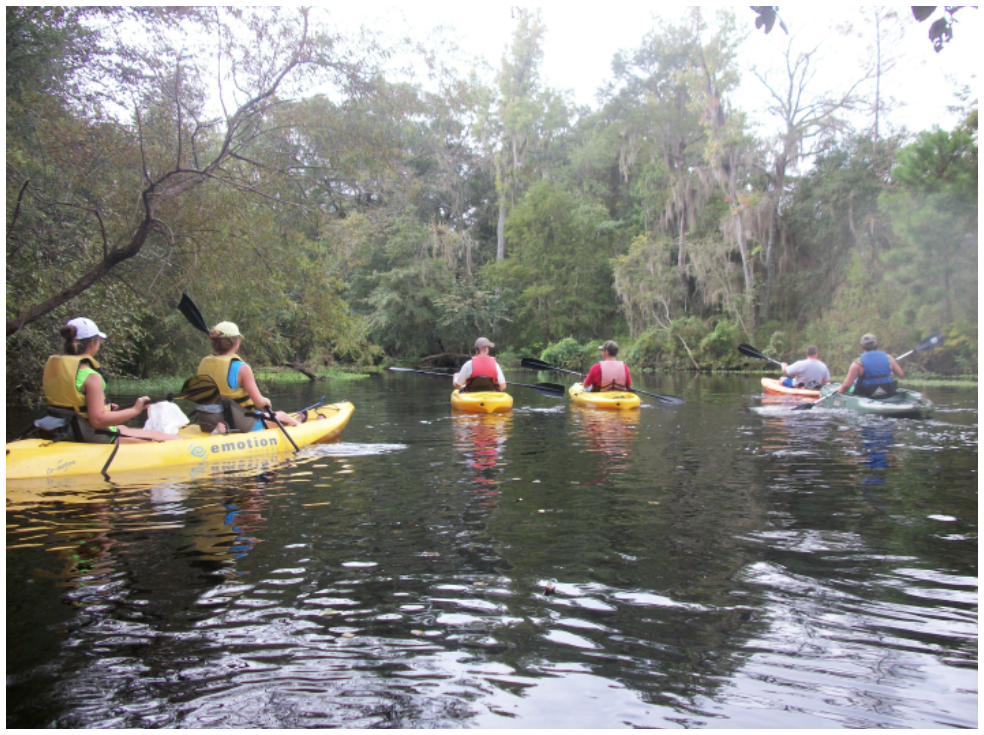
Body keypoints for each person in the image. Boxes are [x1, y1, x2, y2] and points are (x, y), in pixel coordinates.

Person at [41, 317, 180, 444]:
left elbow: (73, 403)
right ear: (92, 343)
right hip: (85, 434)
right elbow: (97, 421)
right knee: (157, 435)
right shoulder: (91, 377)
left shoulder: (60, 370)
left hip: (63, 429)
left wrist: (104, 407)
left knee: (122, 427)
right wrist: (135, 410)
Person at [196, 321, 303, 433]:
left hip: (210, 422)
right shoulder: (242, 368)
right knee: (282, 415)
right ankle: (300, 426)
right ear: (236, 342)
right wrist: (266, 401)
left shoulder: (204, 363)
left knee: (272, 416)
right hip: (239, 424)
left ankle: (299, 419)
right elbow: (259, 403)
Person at [836, 333, 904, 398]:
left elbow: (846, 386)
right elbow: (900, 374)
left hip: (867, 396)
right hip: (888, 393)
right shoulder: (889, 358)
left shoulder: (857, 363)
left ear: (862, 346)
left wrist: (838, 392)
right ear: (877, 345)